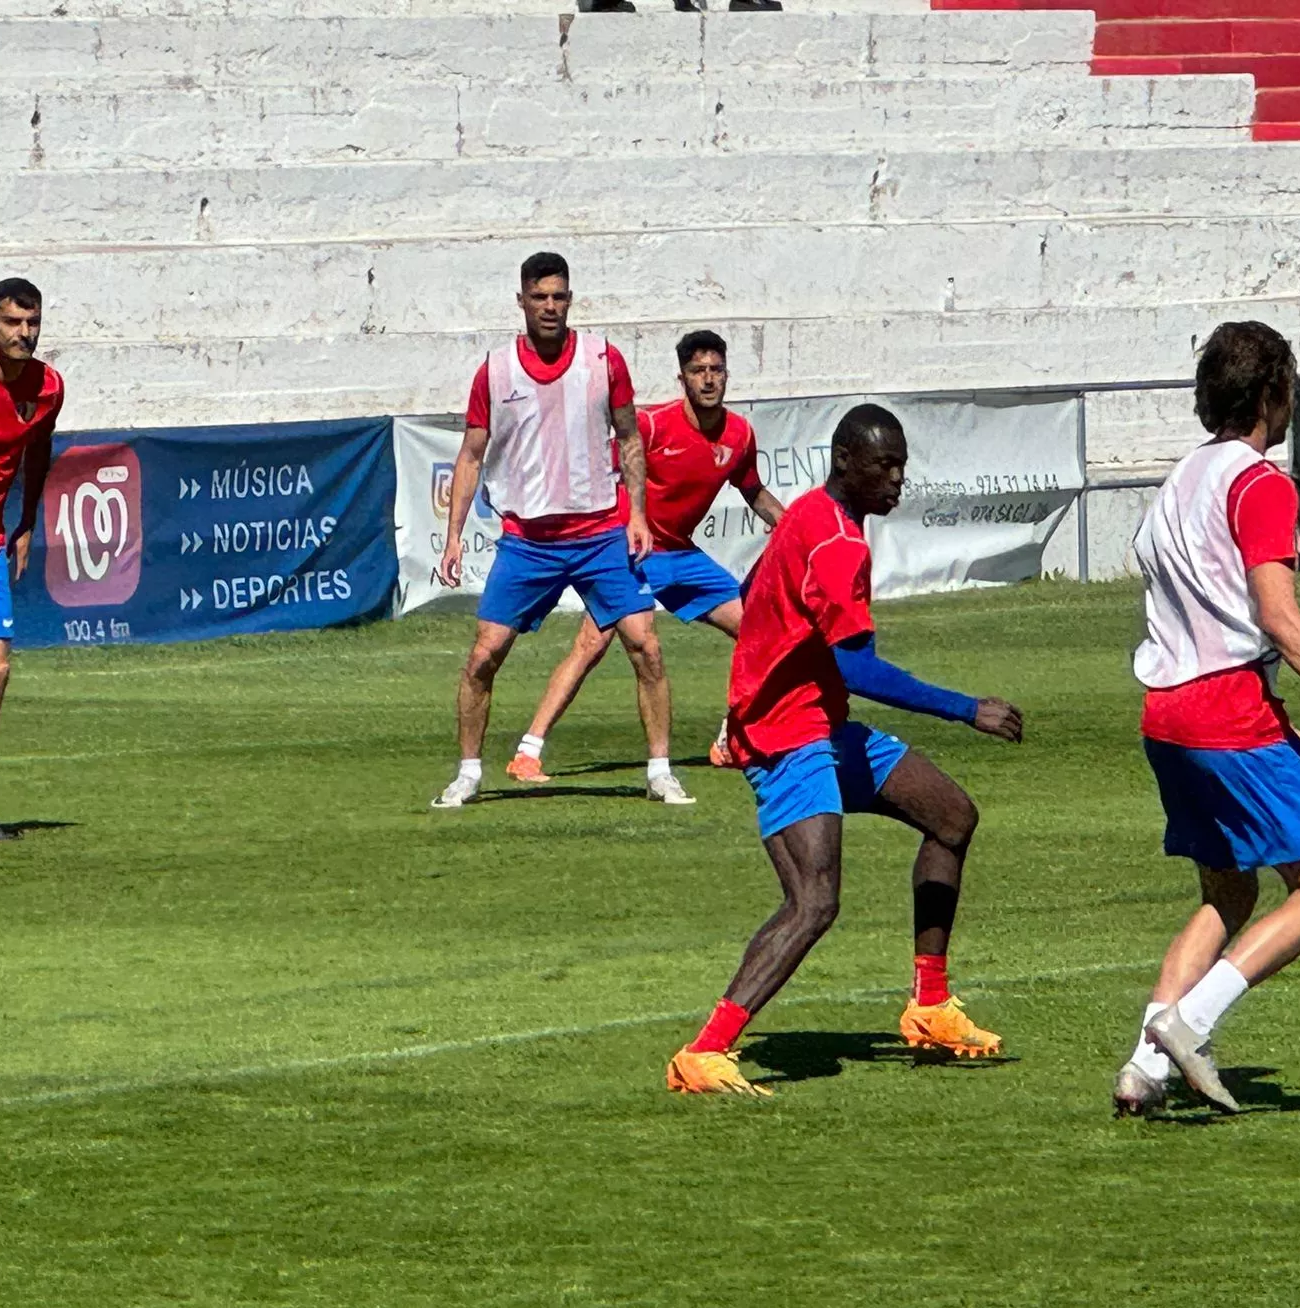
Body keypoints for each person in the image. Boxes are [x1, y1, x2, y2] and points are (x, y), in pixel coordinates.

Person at [666, 404, 1024, 1096]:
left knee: (951, 816)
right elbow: (858, 667)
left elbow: (753, 590)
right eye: (884, 466)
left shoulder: (809, 515)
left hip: (820, 724)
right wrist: (966, 708)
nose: (897, 480)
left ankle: (930, 1005)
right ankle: (704, 1051)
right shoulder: (837, 545)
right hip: (785, 734)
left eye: (902, 466)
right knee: (814, 902)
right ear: (845, 464)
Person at [1111, 321, 1300, 1119]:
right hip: (1224, 708)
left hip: (1168, 711)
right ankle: (1191, 1023)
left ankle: (1143, 1069)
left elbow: (1196, 601)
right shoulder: (1259, 483)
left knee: (1228, 894)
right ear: (1276, 395)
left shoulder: (1180, 480)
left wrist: (1274, 708)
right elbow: (1275, 616)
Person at [504, 329, 786, 801]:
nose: (709, 379)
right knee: (591, 645)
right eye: (698, 371)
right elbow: (602, 468)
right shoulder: (652, 425)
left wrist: (792, 525)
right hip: (628, 553)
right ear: (682, 378)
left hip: (681, 555)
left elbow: (752, 489)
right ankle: (528, 750)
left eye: (716, 370)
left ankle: (730, 738)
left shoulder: (739, 434)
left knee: (763, 634)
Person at [431, 251, 669, 810]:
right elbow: (470, 454)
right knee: (484, 656)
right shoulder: (494, 369)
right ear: (521, 301)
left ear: (570, 299)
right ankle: (468, 773)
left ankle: (659, 770)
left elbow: (630, 438)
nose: (550, 306)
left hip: (599, 534)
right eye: (539, 297)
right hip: (528, 540)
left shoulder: (603, 359)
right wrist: (453, 536)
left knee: (646, 646)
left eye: (559, 296)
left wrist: (636, 514)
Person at [0, 278, 63, 843]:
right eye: (12, 322)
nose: (24, 333)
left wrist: (26, 521)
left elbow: (39, 448)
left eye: (32, 323)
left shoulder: (48, 387)